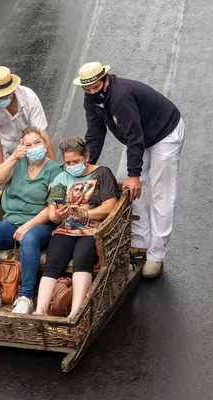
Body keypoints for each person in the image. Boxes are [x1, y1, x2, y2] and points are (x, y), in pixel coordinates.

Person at [74, 62, 184, 278]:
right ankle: (140, 241)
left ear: (105, 79)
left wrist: (136, 175)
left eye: (96, 87)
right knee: (124, 184)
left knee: (162, 193)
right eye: (87, 90)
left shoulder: (121, 96)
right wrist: (86, 165)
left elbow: (135, 137)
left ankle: (156, 255)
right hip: (139, 136)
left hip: (164, 133)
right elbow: (95, 132)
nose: (92, 93)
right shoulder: (91, 99)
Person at [0, 126, 62, 314]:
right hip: (12, 221)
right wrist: (14, 157)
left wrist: (28, 226)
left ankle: (26, 297)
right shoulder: (18, 164)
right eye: (28, 145)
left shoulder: (56, 170)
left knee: (29, 239)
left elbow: (52, 208)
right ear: (23, 147)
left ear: (45, 143)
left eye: (37, 142)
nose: (34, 147)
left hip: (40, 224)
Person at [34, 137, 118, 319]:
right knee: (53, 263)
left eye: (76, 161)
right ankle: (39, 311)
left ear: (86, 157)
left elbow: (111, 206)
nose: (72, 166)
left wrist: (85, 214)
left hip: (92, 230)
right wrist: (58, 214)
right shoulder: (61, 178)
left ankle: (75, 312)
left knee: (82, 259)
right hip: (66, 229)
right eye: (68, 162)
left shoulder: (102, 174)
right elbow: (51, 214)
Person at [0, 66, 56, 193]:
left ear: (12, 91)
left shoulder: (29, 98)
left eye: (2, 97)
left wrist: (55, 170)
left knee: (35, 177)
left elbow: (42, 134)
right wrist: (2, 170)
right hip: (0, 142)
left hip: (26, 141)